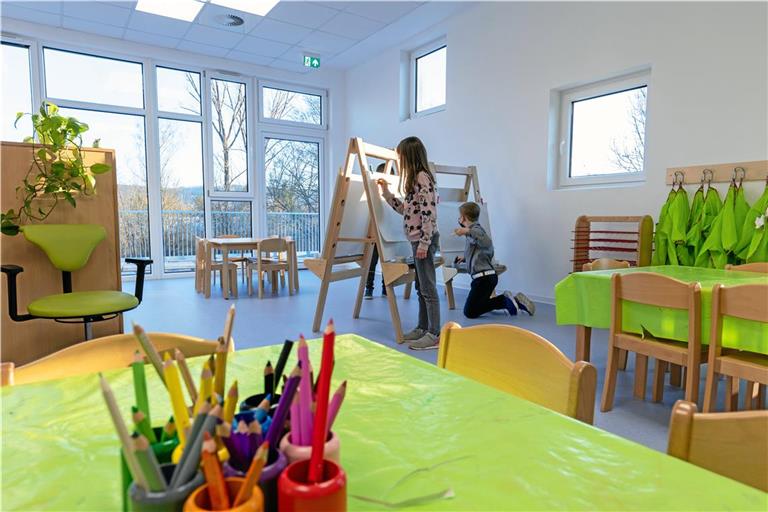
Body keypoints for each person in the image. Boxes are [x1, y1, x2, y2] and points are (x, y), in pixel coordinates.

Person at [378, 136, 440, 350]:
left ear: (409, 156)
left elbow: (429, 212)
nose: (400, 161)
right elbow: (406, 210)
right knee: (421, 287)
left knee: (428, 288)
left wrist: (424, 242)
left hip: (424, 240)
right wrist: (387, 194)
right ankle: (423, 327)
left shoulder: (422, 177)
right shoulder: (414, 180)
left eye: (401, 157)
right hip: (418, 240)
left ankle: (434, 333)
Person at [454, 201, 535, 319]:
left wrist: (467, 231)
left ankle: (504, 300)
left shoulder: (476, 230)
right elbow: (480, 251)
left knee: (470, 312)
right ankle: (513, 301)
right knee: (476, 307)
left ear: (463, 217)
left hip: (483, 279)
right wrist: (465, 258)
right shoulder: (474, 233)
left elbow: (486, 241)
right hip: (485, 278)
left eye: (460, 216)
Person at [365, 163, 387, 299]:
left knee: (387, 262)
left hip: (386, 232)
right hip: (374, 231)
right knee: (371, 261)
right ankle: (369, 288)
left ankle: (386, 288)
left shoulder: (391, 193)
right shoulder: (372, 192)